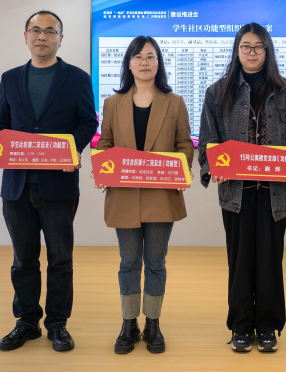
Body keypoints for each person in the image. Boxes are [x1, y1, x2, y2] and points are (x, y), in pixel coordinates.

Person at [0, 10, 98, 352]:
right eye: (36, 30)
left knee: (60, 259)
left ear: (61, 38)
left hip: (58, 186)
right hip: (16, 186)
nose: (42, 36)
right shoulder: (10, 78)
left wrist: (71, 149)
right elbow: (1, 124)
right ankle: (26, 322)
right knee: (23, 260)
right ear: (25, 36)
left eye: (50, 31)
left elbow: (88, 122)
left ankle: (58, 324)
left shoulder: (77, 78)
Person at [198, 23, 286, 353]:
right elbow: (207, 141)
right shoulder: (217, 93)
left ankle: (268, 326)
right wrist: (211, 167)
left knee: (270, 260)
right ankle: (241, 326)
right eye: (245, 46)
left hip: (275, 193)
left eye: (258, 47)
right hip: (236, 192)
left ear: (268, 50)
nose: (252, 52)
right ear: (237, 50)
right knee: (240, 261)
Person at [94, 36, 193, 354]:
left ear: (159, 63)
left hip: (161, 195)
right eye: (138, 57)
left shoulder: (174, 102)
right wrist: (102, 169)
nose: (144, 62)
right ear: (129, 63)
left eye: (150, 56)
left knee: (155, 262)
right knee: (128, 262)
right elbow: (105, 144)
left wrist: (181, 170)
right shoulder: (113, 103)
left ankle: (152, 322)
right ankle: (128, 323)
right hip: (124, 195)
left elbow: (184, 145)